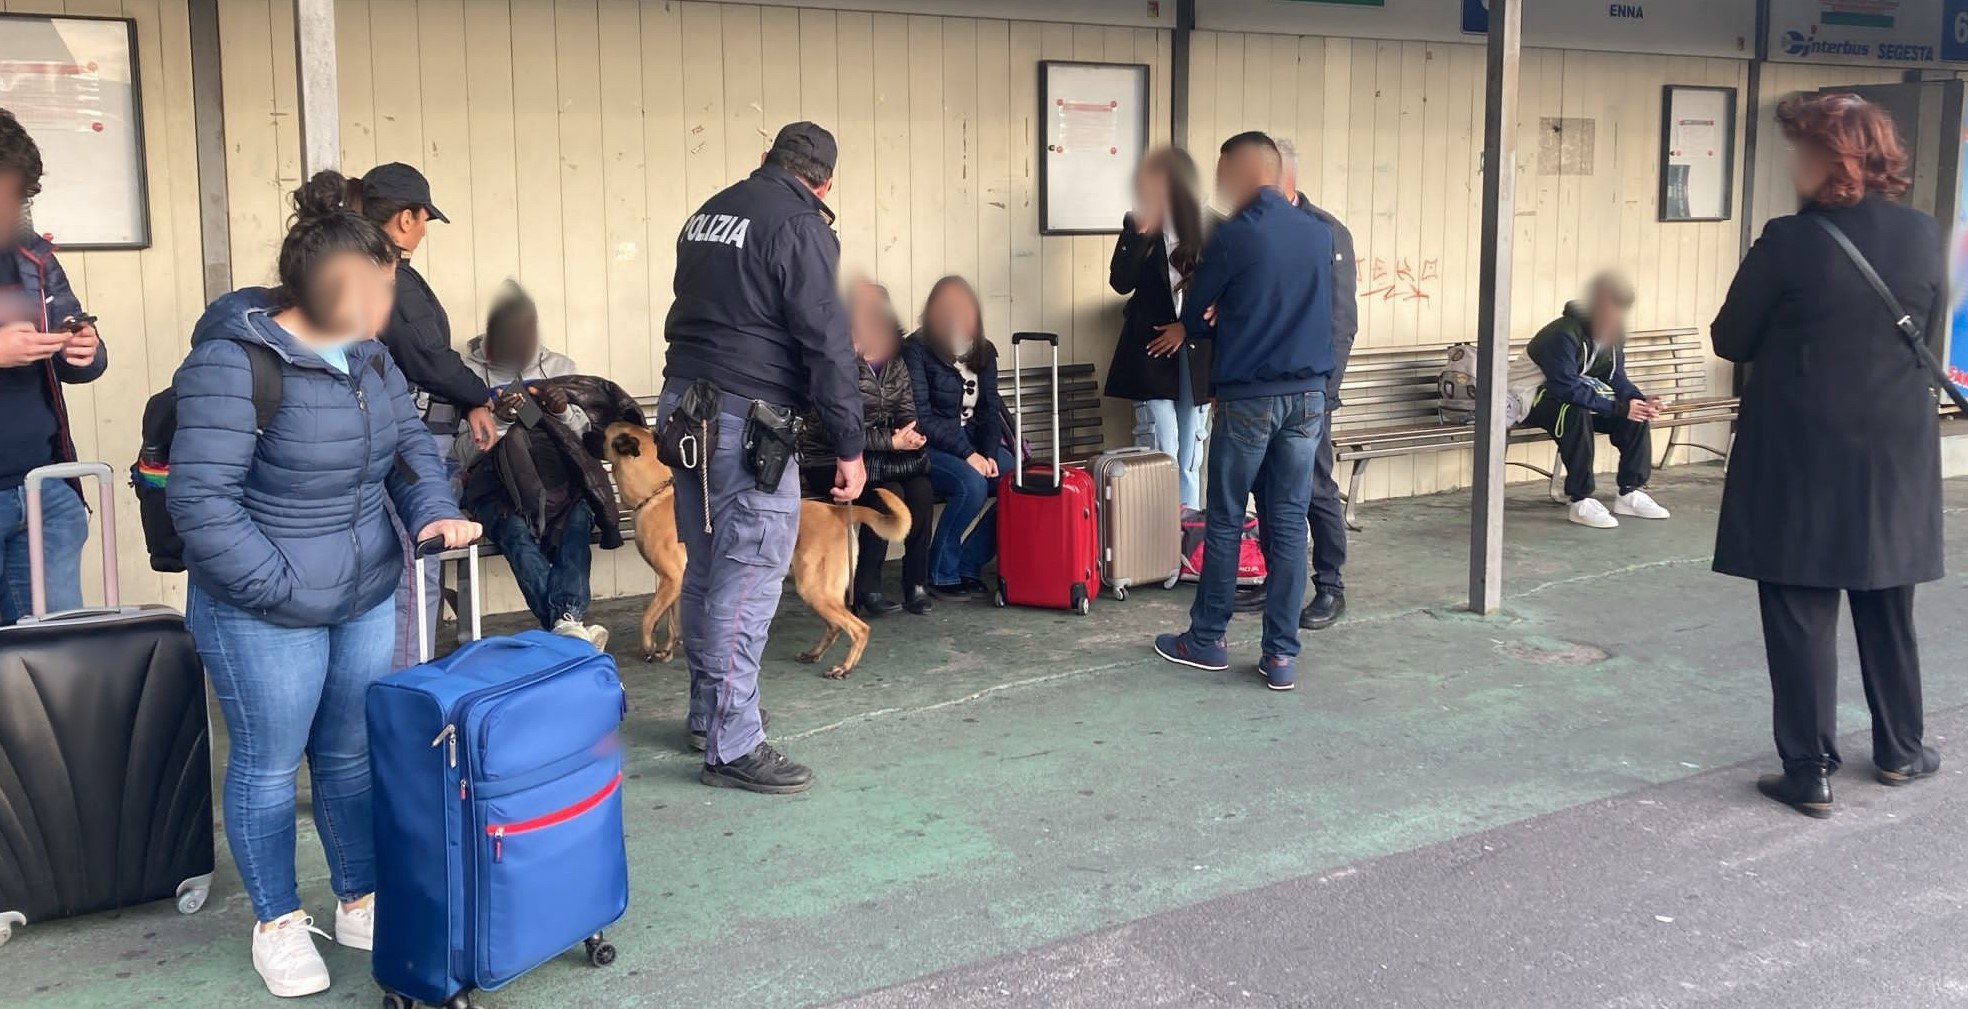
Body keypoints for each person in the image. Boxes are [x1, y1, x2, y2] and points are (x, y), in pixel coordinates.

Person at [167, 171, 479, 997]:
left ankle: (359, 897)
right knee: (269, 763)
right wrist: (276, 587)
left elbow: (411, 449)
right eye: (379, 289)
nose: (390, 305)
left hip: (363, 590)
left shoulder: (367, 356)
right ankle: (276, 920)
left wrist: (434, 510)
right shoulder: (233, 362)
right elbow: (202, 502)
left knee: (347, 753)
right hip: (260, 603)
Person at [1711, 93, 1945, 817]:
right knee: (1885, 599)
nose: (1791, 164)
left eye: (1800, 150)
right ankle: (1902, 748)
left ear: (1830, 158)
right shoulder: (1920, 233)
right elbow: (1925, 329)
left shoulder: (1789, 240)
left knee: (1800, 605)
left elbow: (1730, 339)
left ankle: (1809, 770)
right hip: (1893, 453)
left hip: (1801, 453)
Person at [661, 121, 864, 794]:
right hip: (746, 420)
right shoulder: (801, 226)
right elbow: (828, 342)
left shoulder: (707, 215)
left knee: (707, 567)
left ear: (766, 161)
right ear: (824, 183)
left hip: (683, 407)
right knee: (748, 577)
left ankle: (710, 713)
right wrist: (850, 444)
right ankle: (733, 742)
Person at [1151, 132, 1332, 692]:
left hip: (1250, 397)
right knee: (1286, 521)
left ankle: (1205, 640)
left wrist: (1215, 309)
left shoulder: (1234, 237)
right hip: (1308, 398)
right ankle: (1280, 655)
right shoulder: (1319, 233)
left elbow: (1198, 309)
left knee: (1226, 516)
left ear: (1243, 170)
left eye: (1223, 170)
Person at [350, 162, 495, 666]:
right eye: (424, 217)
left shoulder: (361, 265)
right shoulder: (390, 275)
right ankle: (409, 685)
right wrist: (481, 395)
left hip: (385, 432)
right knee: (417, 570)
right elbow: (427, 356)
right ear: (407, 217)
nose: (426, 229)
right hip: (411, 433)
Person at [1237, 138, 1360, 627]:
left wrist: (1325, 393)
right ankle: (1276, 581)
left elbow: (1341, 321)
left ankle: (1330, 585)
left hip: (1310, 393)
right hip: (1260, 391)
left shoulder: (1326, 232)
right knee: (1266, 490)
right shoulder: (1251, 230)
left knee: (1314, 488)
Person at [455, 282, 610, 647]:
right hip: (496, 489)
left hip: (559, 484)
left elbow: (584, 440)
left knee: (576, 526)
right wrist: (501, 422)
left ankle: (564, 625)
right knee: (515, 535)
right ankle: (569, 624)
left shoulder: (559, 367)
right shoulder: (464, 377)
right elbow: (459, 453)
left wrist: (564, 410)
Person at [0, 109, 104, 624]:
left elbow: (78, 344)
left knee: (50, 667)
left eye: (20, 196)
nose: (14, 208)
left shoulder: (32, 256)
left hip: (44, 490)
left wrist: (84, 348)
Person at [800, 278, 936, 616]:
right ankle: (866, 589)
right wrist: (890, 441)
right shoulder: (832, 361)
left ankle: (916, 584)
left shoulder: (894, 362)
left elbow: (907, 409)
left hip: (881, 457)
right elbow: (829, 428)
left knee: (920, 489)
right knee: (886, 493)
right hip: (828, 461)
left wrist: (911, 434)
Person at [1505, 272, 1670, 530]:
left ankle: (1630, 492)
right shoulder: (1562, 333)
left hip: (1568, 395)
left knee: (1636, 415)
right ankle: (1580, 499)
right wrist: (1618, 407)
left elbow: (1616, 377)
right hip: (1527, 398)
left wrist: (1637, 400)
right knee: (1575, 411)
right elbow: (1565, 386)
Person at [1104, 147, 1212, 510]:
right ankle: (1157, 536)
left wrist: (1185, 327)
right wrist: (1138, 235)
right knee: (1162, 442)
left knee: (1190, 449)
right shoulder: (1137, 221)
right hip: (1150, 349)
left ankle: (1188, 534)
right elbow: (1121, 282)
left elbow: (1232, 292)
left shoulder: (1214, 225)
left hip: (1197, 349)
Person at [903, 275, 1016, 599]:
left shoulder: (984, 350)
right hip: (930, 444)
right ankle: (939, 572)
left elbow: (990, 409)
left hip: (973, 441)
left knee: (1016, 481)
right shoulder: (917, 349)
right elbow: (921, 418)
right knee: (972, 484)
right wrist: (969, 455)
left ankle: (969, 562)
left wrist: (990, 453)